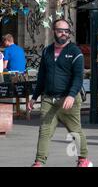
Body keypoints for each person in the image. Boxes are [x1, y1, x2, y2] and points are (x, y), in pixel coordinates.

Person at [27, 19, 93, 167]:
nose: (64, 33)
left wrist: (71, 95)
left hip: (68, 100)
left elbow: (78, 77)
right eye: (60, 30)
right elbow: (41, 76)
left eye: (66, 31)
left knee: (75, 131)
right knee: (44, 131)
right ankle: (39, 162)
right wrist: (35, 97)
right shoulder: (46, 51)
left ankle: (83, 160)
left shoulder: (75, 52)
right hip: (49, 99)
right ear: (53, 31)